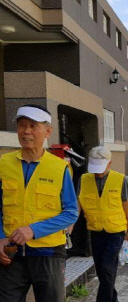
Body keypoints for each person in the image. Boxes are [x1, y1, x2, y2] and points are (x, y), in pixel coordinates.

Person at [0, 105, 78, 302]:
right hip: (11, 252)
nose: (26, 131)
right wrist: (0, 237)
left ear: (48, 131)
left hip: (49, 252)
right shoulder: (3, 164)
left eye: (33, 126)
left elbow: (71, 212)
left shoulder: (60, 168)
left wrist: (34, 230)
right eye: (22, 125)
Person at [77, 146, 128, 302]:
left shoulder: (120, 179)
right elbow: (78, 206)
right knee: (103, 273)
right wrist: (68, 227)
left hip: (116, 231)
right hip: (96, 231)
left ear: (109, 163)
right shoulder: (84, 179)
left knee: (107, 268)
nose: (98, 172)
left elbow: (126, 206)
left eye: (101, 168)